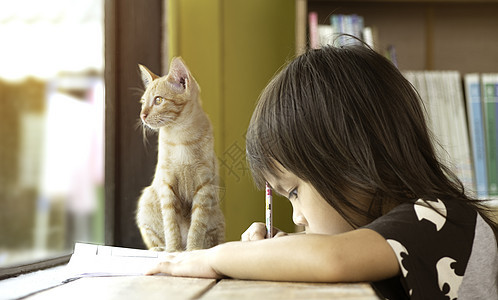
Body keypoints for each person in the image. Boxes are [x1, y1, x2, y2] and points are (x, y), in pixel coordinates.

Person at [146, 44, 498, 299]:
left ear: (355, 163)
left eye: (295, 191)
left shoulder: (439, 217)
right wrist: (277, 253)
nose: (297, 217)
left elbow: (333, 258)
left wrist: (211, 258)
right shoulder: (401, 228)